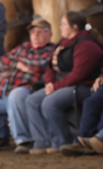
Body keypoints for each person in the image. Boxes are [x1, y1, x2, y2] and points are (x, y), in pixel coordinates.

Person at [0, 18, 55, 154]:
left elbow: (39, 64)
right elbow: (3, 61)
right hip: (0, 90)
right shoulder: (23, 47)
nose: (35, 35)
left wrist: (17, 61)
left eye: (40, 32)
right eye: (32, 32)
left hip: (27, 90)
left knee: (16, 94)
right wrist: (18, 64)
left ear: (50, 35)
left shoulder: (52, 50)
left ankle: (24, 140)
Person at [23, 11, 103, 155]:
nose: (60, 27)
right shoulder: (63, 43)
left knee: (50, 102)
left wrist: (55, 87)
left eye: (63, 24)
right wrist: (49, 83)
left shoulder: (86, 45)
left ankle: (62, 142)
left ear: (75, 27)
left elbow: (79, 74)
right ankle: (42, 141)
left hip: (83, 86)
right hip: (61, 85)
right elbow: (50, 66)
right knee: (32, 101)